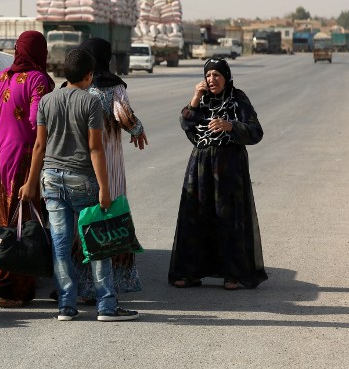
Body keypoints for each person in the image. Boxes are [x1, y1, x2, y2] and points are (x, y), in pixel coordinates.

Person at [19, 49, 139, 322]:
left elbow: (39, 145)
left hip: (50, 179)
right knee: (96, 244)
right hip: (82, 180)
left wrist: (30, 183)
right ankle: (107, 307)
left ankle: (66, 306)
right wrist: (105, 189)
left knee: (60, 246)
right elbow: (96, 149)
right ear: (89, 76)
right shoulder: (91, 103)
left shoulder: (47, 101)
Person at [168, 58, 267, 290]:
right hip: (201, 166)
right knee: (196, 217)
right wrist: (194, 100)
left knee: (228, 218)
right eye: (208, 75)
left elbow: (256, 132)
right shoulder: (200, 100)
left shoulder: (238, 98)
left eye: (217, 75)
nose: (211, 80)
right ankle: (191, 273)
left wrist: (231, 126)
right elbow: (185, 123)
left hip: (229, 166)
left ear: (226, 77)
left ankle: (232, 274)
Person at [0, 30, 55, 308]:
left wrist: (2, 129)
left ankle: (10, 285)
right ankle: (8, 289)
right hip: (23, 156)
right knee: (21, 225)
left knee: (4, 220)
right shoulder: (38, 80)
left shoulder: (2, 77)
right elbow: (37, 120)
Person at [76, 38, 148, 300]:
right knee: (108, 220)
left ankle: (82, 287)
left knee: (83, 222)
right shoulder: (113, 87)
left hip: (81, 162)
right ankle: (110, 284)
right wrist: (138, 129)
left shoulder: (74, 85)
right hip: (109, 162)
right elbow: (123, 115)